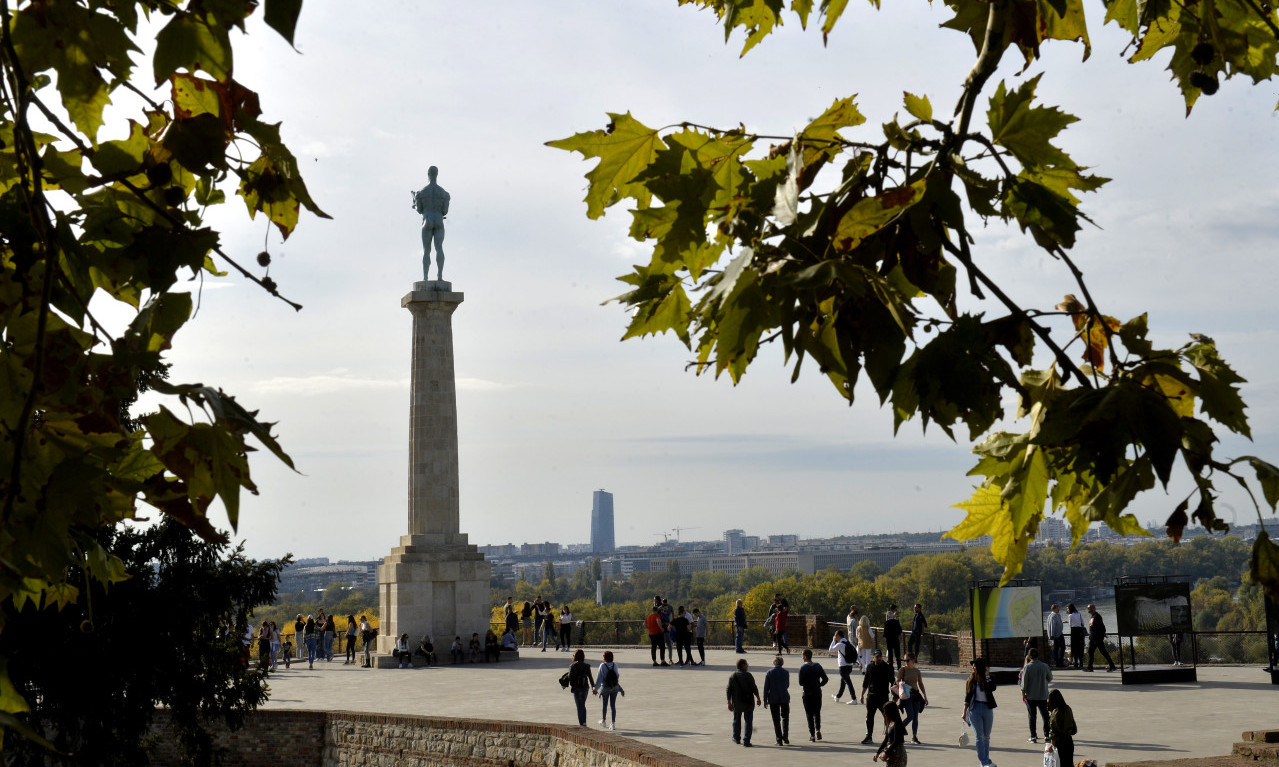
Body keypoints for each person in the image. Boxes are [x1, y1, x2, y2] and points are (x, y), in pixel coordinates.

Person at [412, 165, 450, 281]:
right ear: (437, 174)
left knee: (426, 251)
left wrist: (415, 202)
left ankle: (425, 277)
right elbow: (444, 211)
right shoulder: (444, 194)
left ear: (428, 174)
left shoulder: (421, 193)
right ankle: (440, 276)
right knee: (439, 248)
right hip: (438, 221)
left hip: (427, 220)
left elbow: (419, 210)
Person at [962, 658, 998, 767]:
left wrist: (986, 676)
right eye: (972, 666)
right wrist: (964, 711)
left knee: (986, 736)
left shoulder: (989, 678)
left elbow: (992, 688)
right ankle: (983, 762)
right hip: (975, 708)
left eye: (975, 665)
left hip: (987, 708)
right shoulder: (971, 680)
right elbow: (967, 697)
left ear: (981, 667)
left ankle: (986, 760)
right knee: (979, 737)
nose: (973, 667)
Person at [860, 648, 894, 744]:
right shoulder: (870, 667)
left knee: (887, 717)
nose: (879, 658)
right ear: (873, 657)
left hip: (883, 696)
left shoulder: (887, 667)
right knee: (869, 716)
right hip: (871, 696)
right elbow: (865, 682)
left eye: (880, 656)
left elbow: (892, 681)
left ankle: (889, 737)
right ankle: (869, 736)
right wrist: (862, 695)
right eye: (877, 657)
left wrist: (895, 693)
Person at [1019, 647, 1052, 743]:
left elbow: (1024, 683)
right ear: (1038, 655)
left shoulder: (1027, 667)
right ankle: (1047, 735)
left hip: (1031, 696)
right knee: (1045, 716)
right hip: (1042, 695)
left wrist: (1023, 693)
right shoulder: (1045, 666)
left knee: (1032, 716)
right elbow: (1050, 678)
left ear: (1029, 656)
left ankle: (1033, 735)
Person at [726, 658, 761, 746]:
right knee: (748, 721)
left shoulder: (733, 676)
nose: (748, 665)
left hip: (737, 702)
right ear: (743, 666)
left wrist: (729, 702)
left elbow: (728, 689)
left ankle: (736, 738)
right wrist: (758, 698)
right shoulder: (748, 675)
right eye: (746, 664)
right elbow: (754, 687)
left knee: (736, 720)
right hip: (748, 702)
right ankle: (746, 740)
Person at [896, 652, 928, 744]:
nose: (906, 662)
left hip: (916, 695)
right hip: (907, 695)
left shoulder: (917, 671)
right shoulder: (903, 669)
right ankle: (899, 731)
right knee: (910, 716)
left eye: (907, 660)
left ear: (913, 660)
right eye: (904, 660)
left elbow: (920, 684)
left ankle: (914, 736)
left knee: (916, 717)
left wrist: (925, 696)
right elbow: (897, 680)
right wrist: (903, 685)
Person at [797, 648, 828, 742]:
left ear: (805, 657)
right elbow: (825, 679)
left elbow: (800, 682)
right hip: (817, 692)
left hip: (807, 693)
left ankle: (812, 735)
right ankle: (818, 729)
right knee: (817, 712)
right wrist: (819, 685)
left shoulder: (803, 668)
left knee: (809, 714)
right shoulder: (818, 666)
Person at [763, 655, 791, 746]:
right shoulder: (786, 672)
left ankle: (779, 739)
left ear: (774, 663)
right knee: (785, 717)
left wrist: (765, 700)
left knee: (776, 719)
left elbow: (766, 688)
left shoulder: (769, 673)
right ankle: (785, 736)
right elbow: (787, 685)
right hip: (784, 697)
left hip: (773, 698)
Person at [1046, 688, 1077, 767]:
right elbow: (1074, 728)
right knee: (1069, 763)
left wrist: (1052, 746)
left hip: (1060, 744)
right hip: (1069, 741)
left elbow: (1054, 732)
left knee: (1060, 764)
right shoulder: (1068, 709)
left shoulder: (1056, 712)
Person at [873, 701, 907, 767]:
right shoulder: (890, 722)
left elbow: (896, 741)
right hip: (891, 752)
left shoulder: (897, 723)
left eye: (885, 711)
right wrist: (878, 752)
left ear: (891, 711)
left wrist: (886, 753)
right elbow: (886, 739)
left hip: (898, 753)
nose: (884, 713)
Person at [595, 650, 622, 730]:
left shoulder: (602, 665)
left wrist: (595, 689)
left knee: (605, 704)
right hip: (614, 687)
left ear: (605, 657)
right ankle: (613, 723)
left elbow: (599, 678)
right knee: (613, 705)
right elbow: (617, 675)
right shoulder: (615, 665)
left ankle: (603, 721)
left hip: (605, 687)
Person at [829, 628, 857, 704]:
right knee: (843, 682)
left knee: (848, 682)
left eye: (835, 635)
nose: (834, 637)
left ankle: (854, 699)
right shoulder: (848, 643)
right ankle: (837, 697)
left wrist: (833, 640)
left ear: (838, 635)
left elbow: (830, 650)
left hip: (843, 666)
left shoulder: (840, 644)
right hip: (849, 666)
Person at [1085, 604, 1117, 672]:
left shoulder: (1097, 616)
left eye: (1090, 608)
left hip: (1097, 638)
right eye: (1088, 609)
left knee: (1103, 652)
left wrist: (1100, 635)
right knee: (1091, 652)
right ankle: (1090, 667)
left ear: (1094, 608)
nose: (1089, 610)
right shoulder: (1093, 616)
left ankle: (1112, 666)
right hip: (1093, 638)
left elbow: (1102, 627)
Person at [567, 649, 595, 727]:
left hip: (576, 688)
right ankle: (584, 722)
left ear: (575, 656)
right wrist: (594, 688)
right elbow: (590, 678)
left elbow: (570, 678)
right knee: (582, 705)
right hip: (585, 687)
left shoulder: (572, 666)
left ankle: (582, 724)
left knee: (579, 706)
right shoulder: (587, 666)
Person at [884, 605, 903, 670]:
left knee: (890, 653)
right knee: (897, 653)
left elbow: (885, 633)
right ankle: (899, 666)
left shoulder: (886, 623)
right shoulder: (896, 622)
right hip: (896, 639)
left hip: (889, 640)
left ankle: (891, 666)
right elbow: (900, 630)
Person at [1067, 603, 1086, 669]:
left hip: (1074, 631)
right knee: (1080, 646)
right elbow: (1083, 622)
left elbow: (1070, 624)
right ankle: (1081, 662)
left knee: (1074, 647)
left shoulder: (1070, 616)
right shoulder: (1079, 614)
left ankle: (1075, 663)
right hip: (1080, 631)